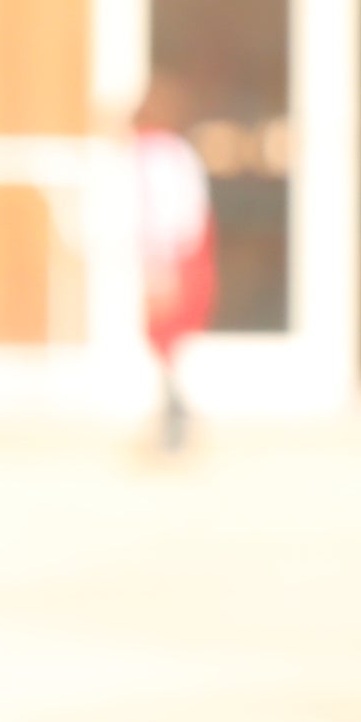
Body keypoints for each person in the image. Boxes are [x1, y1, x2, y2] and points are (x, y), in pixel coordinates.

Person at [131, 77, 214, 453]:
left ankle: (174, 417)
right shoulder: (176, 152)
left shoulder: (153, 154)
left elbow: (163, 215)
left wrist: (160, 266)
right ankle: (172, 415)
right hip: (184, 252)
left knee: (166, 337)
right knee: (171, 341)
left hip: (170, 257)